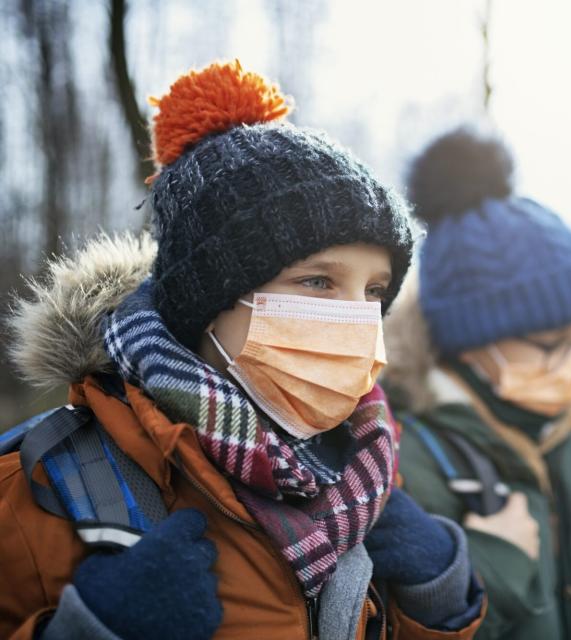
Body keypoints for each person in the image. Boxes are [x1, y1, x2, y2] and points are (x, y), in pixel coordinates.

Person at [0, 61, 484, 640]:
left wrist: (436, 606)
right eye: (318, 282)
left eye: (374, 290)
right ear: (210, 302)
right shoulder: (36, 485)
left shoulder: (365, 472)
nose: (359, 317)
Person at [382, 128, 571, 640]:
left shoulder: (543, 424)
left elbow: (553, 575)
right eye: (551, 342)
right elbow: (402, 624)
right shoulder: (409, 458)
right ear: (471, 341)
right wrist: (492, 566)